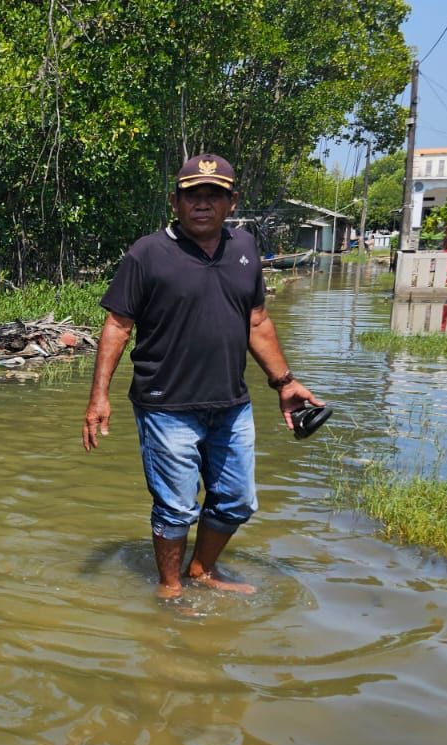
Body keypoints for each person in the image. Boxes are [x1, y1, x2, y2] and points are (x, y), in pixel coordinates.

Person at [82, 153, 322, 600]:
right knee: (175, 507)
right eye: (193, 195)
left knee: (236, 500)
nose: (203, 204)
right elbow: (117, 326)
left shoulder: (246, 249)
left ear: (232, 202)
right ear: (176, 202)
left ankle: (201, 570)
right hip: (165, 403)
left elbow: (257, 320)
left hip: (231, 403)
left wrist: (285, 382)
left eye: (214, 195)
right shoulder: (147, 253)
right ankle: (170, 590)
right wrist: (99, 397)